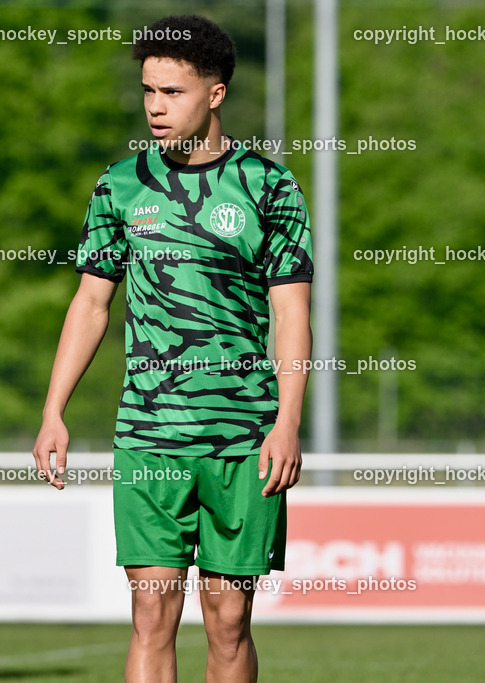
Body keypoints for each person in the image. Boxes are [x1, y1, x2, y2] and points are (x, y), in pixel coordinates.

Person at [32, 15, 313, 683]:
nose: (155, 107)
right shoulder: (120, 185)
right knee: (151, 612)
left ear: (215, 94)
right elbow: (90, 302)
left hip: (243, 438)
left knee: (227, 618)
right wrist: (53, 411)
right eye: (148, 91)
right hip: (149, 434)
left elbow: (291, 313)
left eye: (172, 92)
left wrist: (287, 422)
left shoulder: (269, 186)